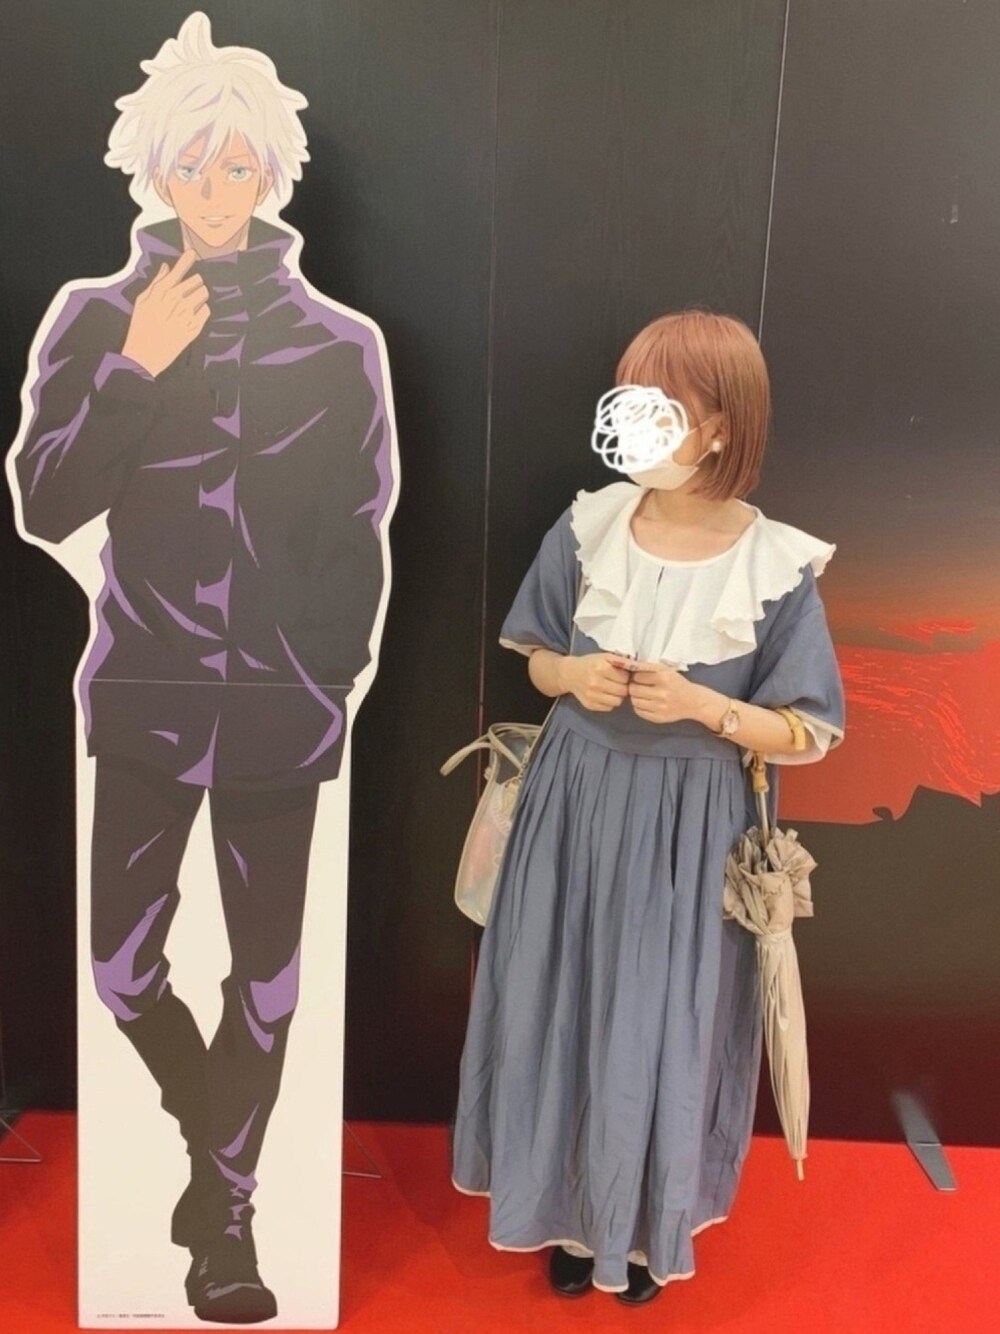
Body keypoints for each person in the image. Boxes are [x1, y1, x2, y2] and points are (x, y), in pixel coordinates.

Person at [9, 14, 394, 1324]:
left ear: (271, 173)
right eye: (194, 163)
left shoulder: (338, 347)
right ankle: (210, 1126)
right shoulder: (95, 319)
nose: (218, 189)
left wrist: (325, 679)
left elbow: (358, 536)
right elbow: (47, 503)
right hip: (145, 695)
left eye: (239, 165)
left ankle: (224, 1217)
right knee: (122, 968)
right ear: (157, 168)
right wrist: (134, 372)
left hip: (285, 707)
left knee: (269, 980)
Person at [451, 311, 844, 1305]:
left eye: (664, 405)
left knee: (658, 1022)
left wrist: (706, 706)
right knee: (559, 999)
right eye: (631, 399)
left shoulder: (774, 564)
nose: (637, 423)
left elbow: (809, 729)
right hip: (573, 802)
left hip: (688, 828)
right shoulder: (589, 526)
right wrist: (570, 675)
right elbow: (534, 654)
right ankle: (562, 1211)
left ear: (721, 425)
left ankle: (634, 1227)